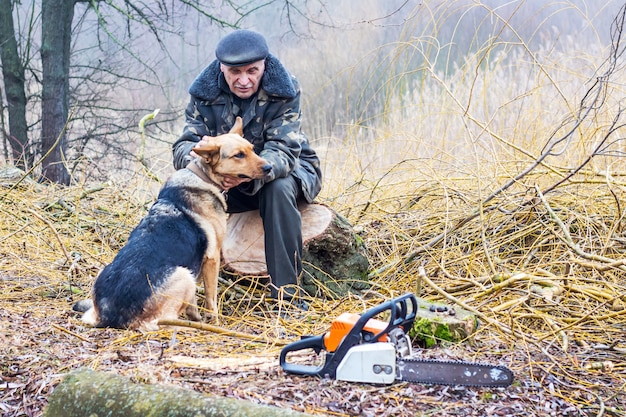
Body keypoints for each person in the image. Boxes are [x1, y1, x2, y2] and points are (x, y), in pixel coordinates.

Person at [172, 29, 322, 309]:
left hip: (284, 173)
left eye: (252, 71)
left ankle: (286, 297)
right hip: (222, 182)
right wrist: (199, 156)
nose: (244, 80)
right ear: (221, 68)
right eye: (234, 72)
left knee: (276, 188)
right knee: (178, 190)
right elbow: (182, 149)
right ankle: (172, 290)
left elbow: (284, 150)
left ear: (264, 65)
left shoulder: (284, 89)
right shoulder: (203, 93)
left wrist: (244, 175)